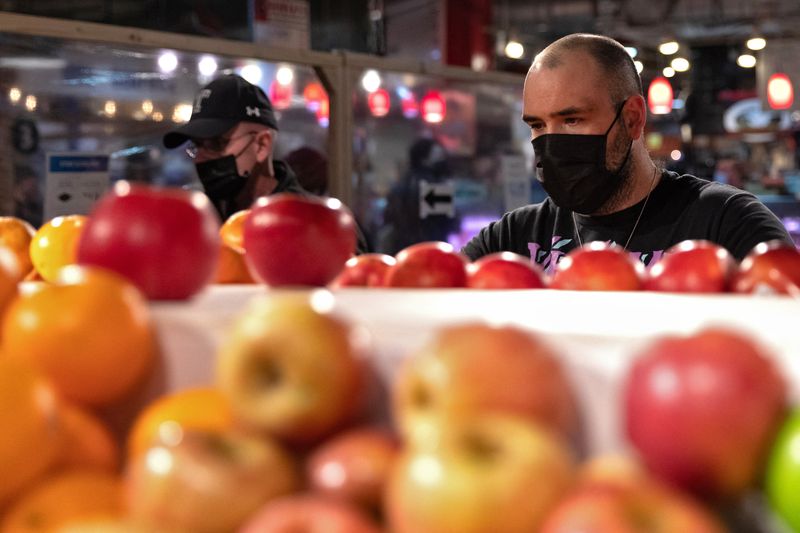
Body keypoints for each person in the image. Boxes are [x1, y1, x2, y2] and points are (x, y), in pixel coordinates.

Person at [462, 33, 793, 272]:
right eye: (537, 125)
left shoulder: (725, 222)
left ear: (632, 119)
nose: (551, 141)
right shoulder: (512, 238)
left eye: (572, 119)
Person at [163, 74, 369, 253]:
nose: (201, 158)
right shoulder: (195, 224)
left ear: (262, 145)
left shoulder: (321, 224)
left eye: (216, 143)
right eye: (197, 146)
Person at [380, 137, 460, 255]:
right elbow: (449, 224)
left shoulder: (401, 182)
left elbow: (388, 217)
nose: (442, 160)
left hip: (401, 250)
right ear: (425, 159)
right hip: (429, 252)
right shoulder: (435, 185)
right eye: (438, 156)